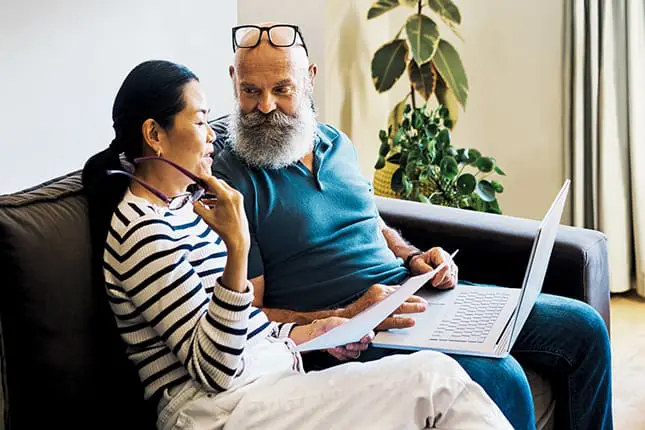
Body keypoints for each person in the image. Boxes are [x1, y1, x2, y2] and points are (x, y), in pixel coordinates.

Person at [211, 23, 614, 430]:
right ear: (233, 80)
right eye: (250, 91)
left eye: (282, 89)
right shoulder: (230, 178)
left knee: (584, 328)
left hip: (412, 294)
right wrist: (347, 314)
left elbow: (369, 221)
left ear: (309, 78)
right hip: (357, 332)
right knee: (502, 377)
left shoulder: (336, 143)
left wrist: (414, 256)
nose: (265, 106)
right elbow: (252, 314)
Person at [81, 59, 511, 430]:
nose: (212, 135)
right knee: (435, 381)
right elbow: (214, 368)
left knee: (434, 387)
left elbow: (243, 330)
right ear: (155, 135)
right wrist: (237, 248)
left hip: (269, 383)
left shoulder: (181, 207)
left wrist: (312, 331)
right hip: (219, 412)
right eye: (199, 121)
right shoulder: (141, 232)